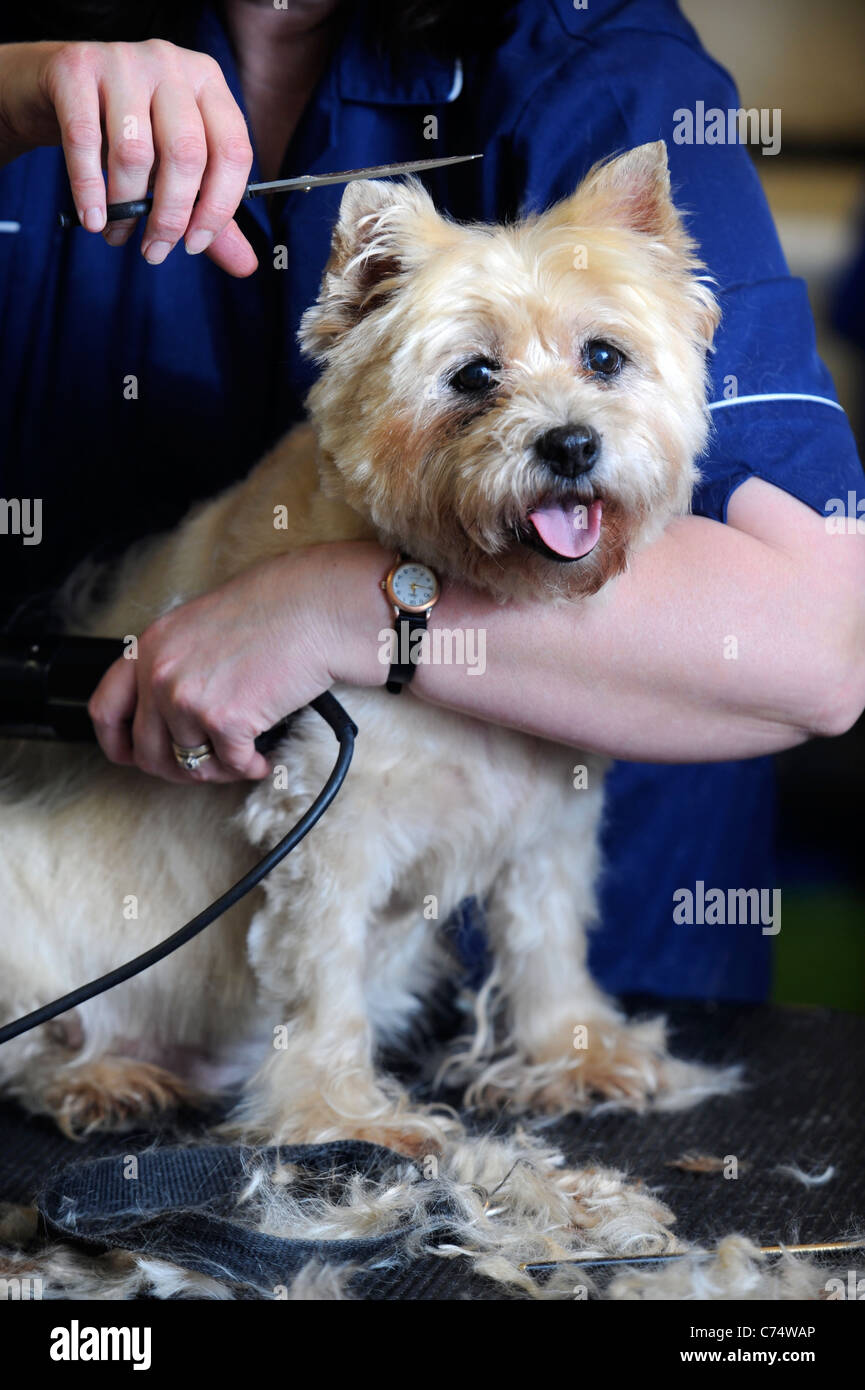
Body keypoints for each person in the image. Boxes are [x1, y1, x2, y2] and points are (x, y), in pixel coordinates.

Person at [1, 0, 863, 1003]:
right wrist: (12, 91)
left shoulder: (606, 65)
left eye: (598, 357)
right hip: (91, 970)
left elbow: (824, 646)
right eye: (476, 378)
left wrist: (337, 604)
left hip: (607, 995)